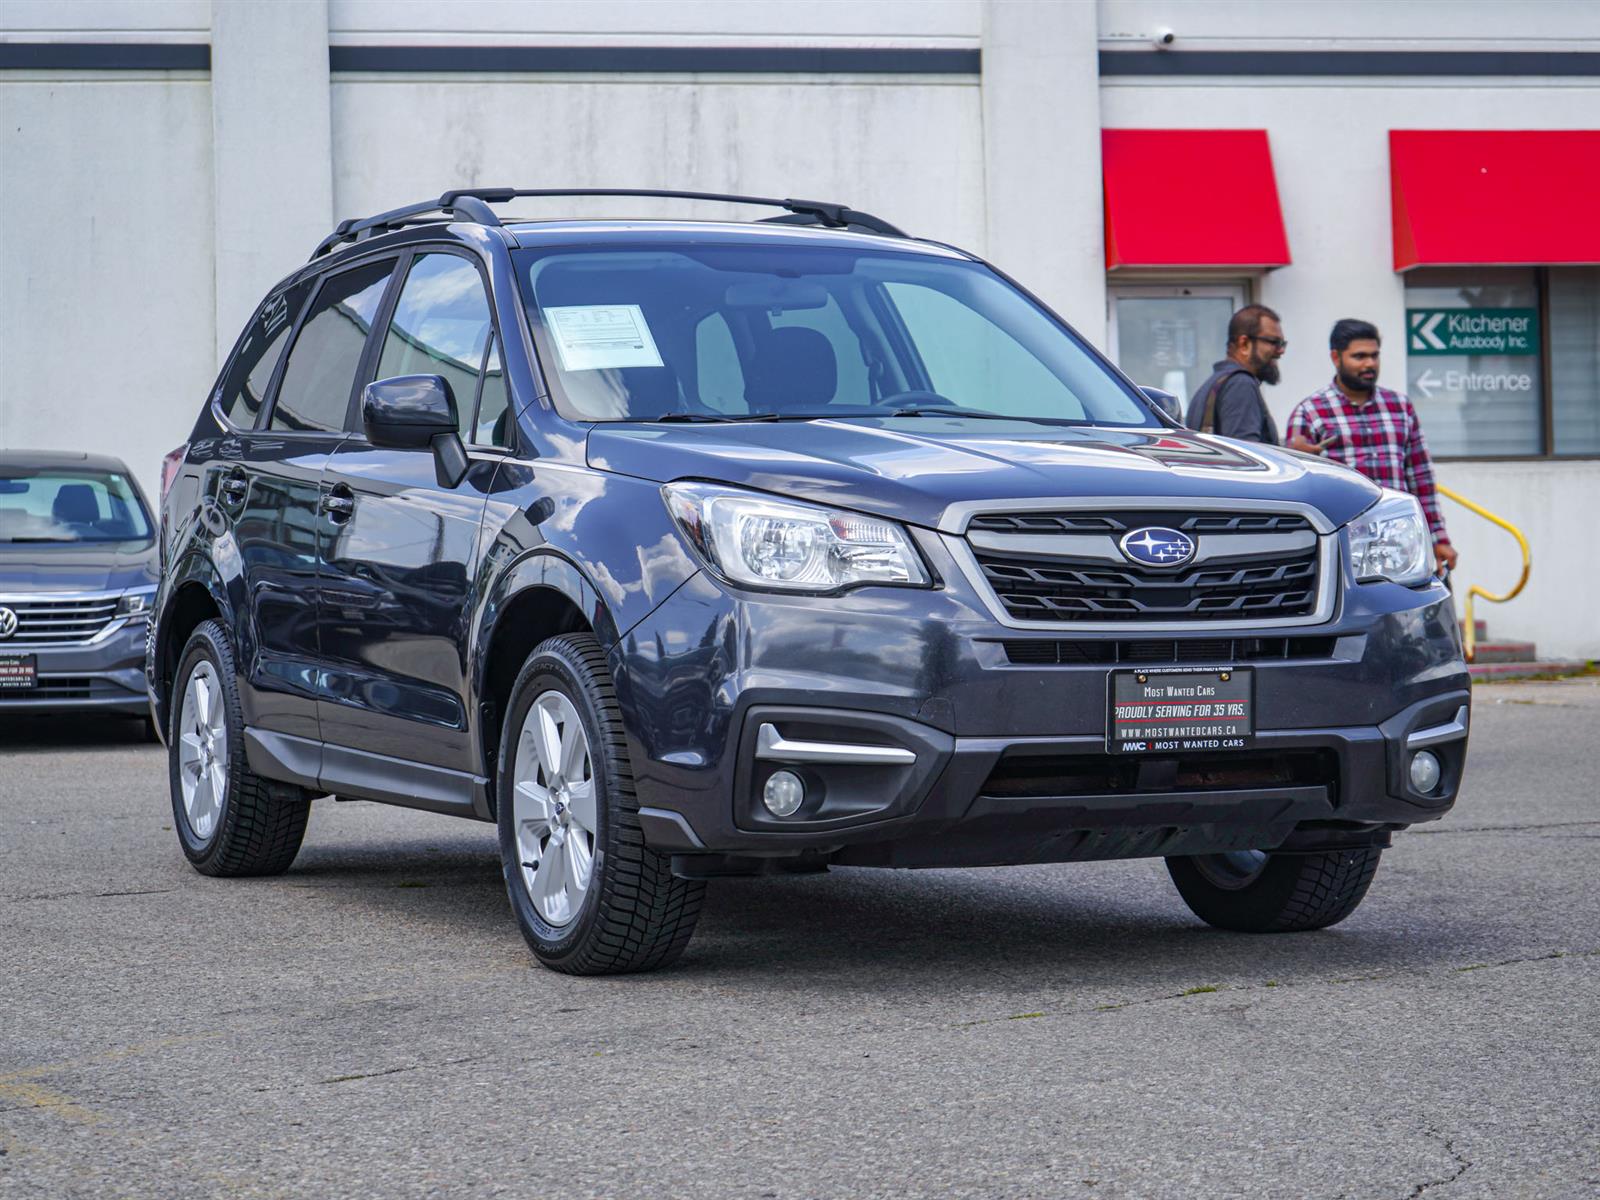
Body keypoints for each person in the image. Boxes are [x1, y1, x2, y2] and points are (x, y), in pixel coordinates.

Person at [1287, 318, 1458, 573]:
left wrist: (1438, 538)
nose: (1369, 364)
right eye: (1359, 356)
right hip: (1344, 547)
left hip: (1401, 543)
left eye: (1374, 356)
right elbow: (1299, 492)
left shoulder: (1400, 407)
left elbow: (1420, 476)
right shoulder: (1310, 412)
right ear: (1336, 357)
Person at [1185, 304, 1286, 443]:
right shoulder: (1240, 384)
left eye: (1282, 343)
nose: (1281, 350)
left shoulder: (1213, 384)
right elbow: (1248, 458)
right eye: (1274, 342)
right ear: (1244, 343)